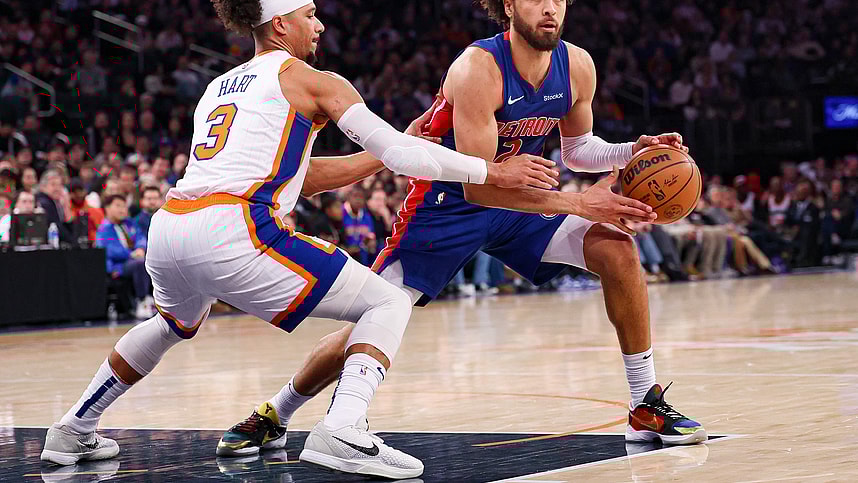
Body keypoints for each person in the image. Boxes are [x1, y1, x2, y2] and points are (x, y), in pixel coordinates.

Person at [41, 0, 559, 479]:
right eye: (310, 14)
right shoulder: (312, 80)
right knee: (387, 301)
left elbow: (305, 176)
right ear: (280, 23)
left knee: (170, 324)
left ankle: (72, 429)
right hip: (235, 227)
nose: (320, 25)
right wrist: (490, 170)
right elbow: (402, 157)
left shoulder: (219, 87)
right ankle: (343, 428)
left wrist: (397, 145)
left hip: (172, 226)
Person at [220, 0, 706, 462]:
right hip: (447, 204)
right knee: (377, 317)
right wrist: (580, 203)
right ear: (508, 6)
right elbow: (480, 186)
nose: (550, 8)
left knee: (618, 250)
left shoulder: (577, 65)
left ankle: (645, 404)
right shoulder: (478, 69)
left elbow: (578, 151)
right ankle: (276, 412)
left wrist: (632, 153)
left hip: (520, 201)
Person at [95, 195, 154, 320]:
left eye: (123, 206)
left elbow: (141, 237)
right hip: (118, 266)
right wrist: (131, 254)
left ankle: (155, 299)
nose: (122, 209)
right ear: (107, 208)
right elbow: (111, 251)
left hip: (134, 259)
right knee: (140, 263)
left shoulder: (129, 223)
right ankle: (142, 301)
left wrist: (141, 248)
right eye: (118, 206)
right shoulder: (104, 229)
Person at [342, 185, 375, 265]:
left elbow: (371, 236)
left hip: (363, 259)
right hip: (344, 258)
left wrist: (369, 241)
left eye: (361, 197)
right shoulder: (340, 213)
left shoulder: (367, 217)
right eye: (355, 196)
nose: (358, 200)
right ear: (348, 197)